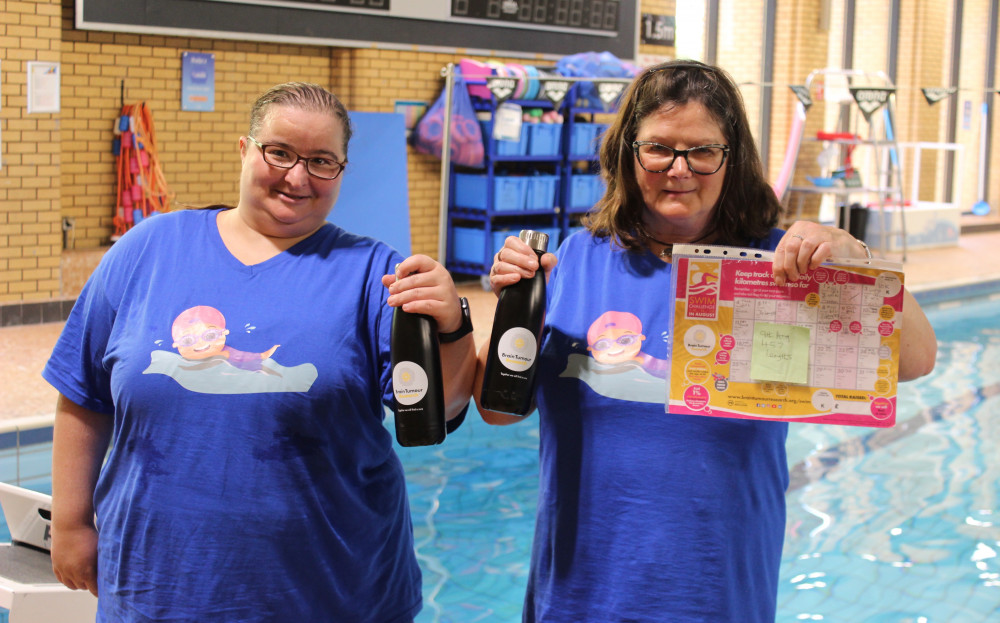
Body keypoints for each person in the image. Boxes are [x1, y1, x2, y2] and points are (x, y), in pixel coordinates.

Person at [473, 60, 937, 622]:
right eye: (659, 149)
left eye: (702, 151)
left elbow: (914, 360)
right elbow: (497, 413)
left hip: (715, 591)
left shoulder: (780, 267)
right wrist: (512, 306)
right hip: (580, 592)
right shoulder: (572, 259)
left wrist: (851, 257)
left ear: (730, 158)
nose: (679, 169)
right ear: (628, 151)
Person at [45, 82, 477, 622]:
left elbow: (441, 410)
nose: (298, 176)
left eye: (322, 161)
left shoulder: (374, 274)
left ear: (342, 172)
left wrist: (454, 324)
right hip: (159, 586)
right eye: (280, 152)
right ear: (245, 149)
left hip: (331, 592)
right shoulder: (149, 248)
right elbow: (82, 393)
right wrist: (70, 524)